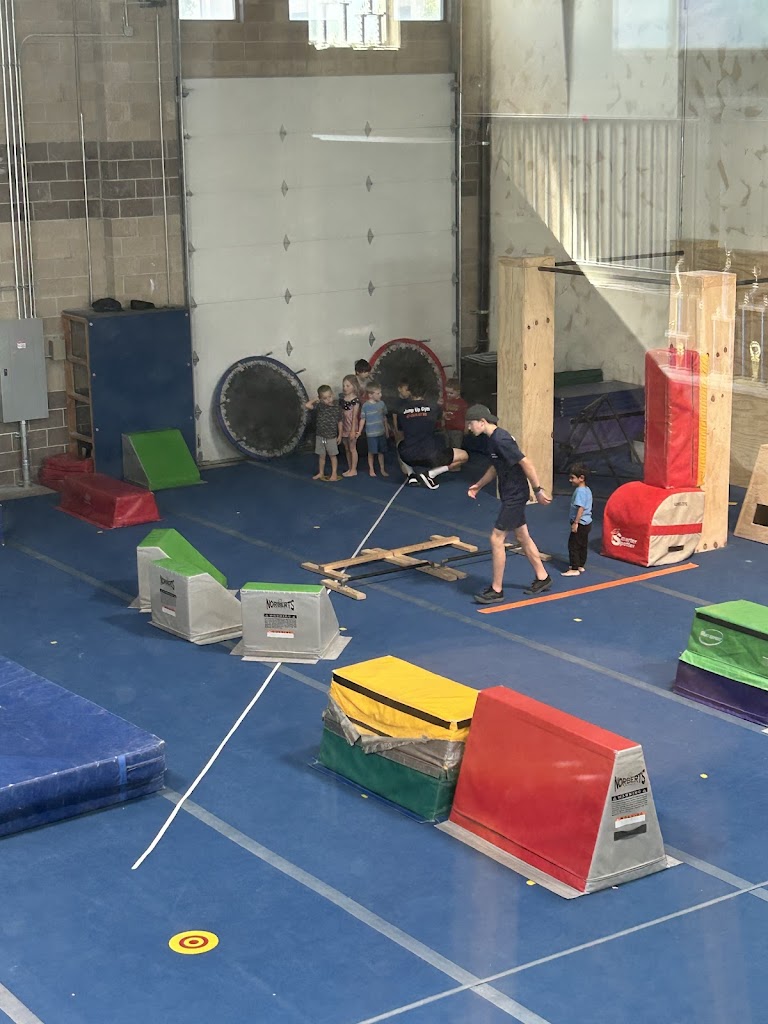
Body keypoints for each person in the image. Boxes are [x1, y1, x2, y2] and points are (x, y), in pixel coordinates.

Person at [465, 404, 552, 602]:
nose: (469, 428)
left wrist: (538, 490)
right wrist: (478, 485)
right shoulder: (492, 440)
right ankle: (543, 577)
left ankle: (496, 589)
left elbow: (526, 462)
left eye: (471, 423)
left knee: (496, 539)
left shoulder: (501, 439)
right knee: (522, 536)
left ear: (482, 422)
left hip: (515, 495)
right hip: (510, 493)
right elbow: (495, 467)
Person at [397, 377, 468, 489]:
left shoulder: (401, 410)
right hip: (431, 456)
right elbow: (442, 417)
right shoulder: (434, 407)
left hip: (409, 455)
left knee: (399, 444)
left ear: (410, 392)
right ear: (425, 392)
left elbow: (400, 432)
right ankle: (431, 474)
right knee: (464, 456)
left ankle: (411, 474)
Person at [305, 385, 342, 481]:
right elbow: (307, 405)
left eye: (330, 396)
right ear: (321, 399)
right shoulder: (320, 406)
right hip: (320, 436)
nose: (328, 400)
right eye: (325, 398)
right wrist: (316, 399)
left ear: (332, 395)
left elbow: (340, 421)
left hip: (331, 436)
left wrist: (340, 435)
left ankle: (334, 473)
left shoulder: (336, 407)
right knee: (321, 456)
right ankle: (321, 472)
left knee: (332, 455)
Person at [562, 463, 593, 576]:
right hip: (587, 523)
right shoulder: (587, 489)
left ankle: (574, 568)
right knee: (583, 544)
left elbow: (581, 508)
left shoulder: (580, 491)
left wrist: (576, 523)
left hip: (580, 523)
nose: (570, 480)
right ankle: (580, 564)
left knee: (573, 545)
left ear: (581, 478)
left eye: (572, 478)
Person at [360, 382, 390, 477]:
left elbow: (384, 417)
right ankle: (371, 469)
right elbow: (363, 419)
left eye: (380, 393)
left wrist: (387, 430)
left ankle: (382, 469)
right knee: (371, 452)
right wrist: (359, 431)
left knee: (381, 452)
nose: (380, 395)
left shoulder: (382, 404)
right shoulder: (365, 406)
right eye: (378, 393)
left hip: (381, 432)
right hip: (371, 434)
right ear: (370, 395)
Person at [442, 377, 468, 468]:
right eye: (447, 393)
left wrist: (466, 428)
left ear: (458, 392)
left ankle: (456, 466)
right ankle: (448, 464)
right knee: (447, 447)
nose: (449, 395)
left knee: (456, 448)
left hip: (457, 429)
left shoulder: (462, 403)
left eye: (451, 393)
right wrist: (443, 419)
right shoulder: (447, 401)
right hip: (447, 427)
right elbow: (443, 411)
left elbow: (466, 417)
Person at [339, 374, 361, 477]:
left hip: (351, 427)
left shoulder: (355, 400)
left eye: (348, 386)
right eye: (344, 385)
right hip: (344, 426)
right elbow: (341, 414)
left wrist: (353, 431)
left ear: (354, 386)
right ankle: (350, 467)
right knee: (347, 448)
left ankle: (354, 469)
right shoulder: (343, 399)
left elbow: (354, 417)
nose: (345, 388)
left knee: (352, 448)